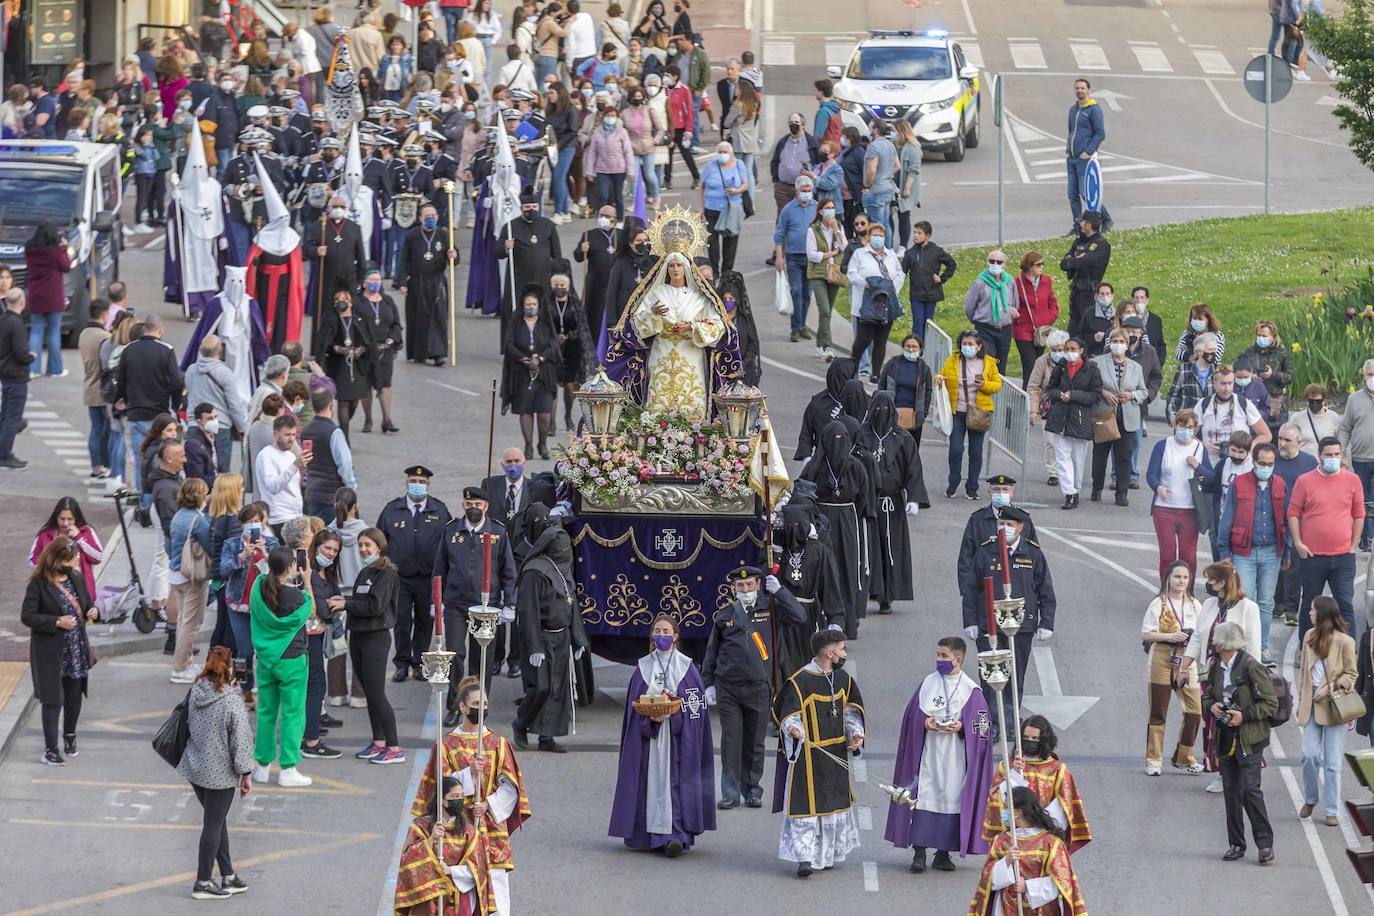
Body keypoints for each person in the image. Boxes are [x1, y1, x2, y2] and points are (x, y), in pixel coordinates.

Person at [409, 678, 532, 914]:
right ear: (462, 707)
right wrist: (468, 775)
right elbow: (439, 788)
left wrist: (488, 804)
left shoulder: (498, 743)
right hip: (458, 829)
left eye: (485, 703)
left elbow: (510, 787)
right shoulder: (445, 745)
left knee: (497, 898)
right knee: (459, 898)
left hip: (490, 830)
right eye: (476, 703)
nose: (482, 708)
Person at [885, 636, 995, 874]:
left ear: (958, 659)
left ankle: (943, 854)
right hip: (929, 755)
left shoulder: (971, 690)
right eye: (937, 655)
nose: (939, 659)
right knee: (924, 795)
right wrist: (924, 722)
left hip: (955, 759)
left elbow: (983, 728)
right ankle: (919, 852)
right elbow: (911, 716)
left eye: (943, 656)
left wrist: (962, 727)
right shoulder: (928, 683)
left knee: (951, 799)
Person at [609, 613, 716, 856]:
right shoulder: (643, 667)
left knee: (676, 782)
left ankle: (675, 835)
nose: (662, 636)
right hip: (650, 738)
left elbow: (695, 709)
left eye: (666, 632)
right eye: (657, 631)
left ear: (675, 636)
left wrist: (674, 715)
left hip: (679, 740)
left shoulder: (687, 667)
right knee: (650, 782)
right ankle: (648, 835)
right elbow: (633, 706)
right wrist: (651, 717)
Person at [703, 566, 806, 809]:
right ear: (734, 589)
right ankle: (729, 792)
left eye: (750, 585)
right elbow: (712, 653)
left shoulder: (770, 609)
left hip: (759, 687)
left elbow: (799, 616)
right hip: (729, 688)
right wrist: (708, 684)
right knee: (731, 740)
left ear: (758, 585)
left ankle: (752, 789)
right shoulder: (725, 615)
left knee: (755, 742)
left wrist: (780, 592)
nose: (745, 590)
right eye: (740, 586)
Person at [774, 628, 864, 877]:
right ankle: (804, 857)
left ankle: (826, 854)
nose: (844, 654)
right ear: (829, 651)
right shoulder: (800, 681)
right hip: (809, 755)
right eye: (842, 649)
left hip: (835, 752)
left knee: (832, 807)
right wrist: (793, 727)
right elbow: (788, 714)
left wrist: (855, 733)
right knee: (807, 808)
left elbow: (850, 711)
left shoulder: (843, 679)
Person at [961, 507, 1055, 730]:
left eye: (1009, 524)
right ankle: (993, 723)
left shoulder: (1032, 554)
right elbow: (971, 589)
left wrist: (1046, 623)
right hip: (989, 624)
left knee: (1015, 676)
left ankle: (1011, 722)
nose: (1004, 528)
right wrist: (970, 621)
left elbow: (1045, 591)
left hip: (1020, 626)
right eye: (1001, 523)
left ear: (1020, 527)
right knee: (991, 676)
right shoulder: (985, 553)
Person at [176, 646, 254, 900]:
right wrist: (246, 774)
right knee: (212, 824)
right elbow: (240, 743)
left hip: (195, 767)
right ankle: (203, 881)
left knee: (216, 820)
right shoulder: (231, 700)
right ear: (230, 668)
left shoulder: (196, 690)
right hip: (219, 774)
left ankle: (228, 875)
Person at [513, 504, 589, 753]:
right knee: (542, 687)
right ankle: (521, 722)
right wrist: (534, 647)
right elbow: (528, 612)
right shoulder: (535, 573)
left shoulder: (562, 569)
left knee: (557, 690)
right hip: (541, 638)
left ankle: (547, 737)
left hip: (561, 637)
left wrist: (578, 640)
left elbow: (571, 604)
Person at [436, 487, 518, 713]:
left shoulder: (498, 533)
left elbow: (508, 571)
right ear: (463, 505)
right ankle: (454, 706)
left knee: (481, 659)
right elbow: (439, 568)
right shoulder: (451, 530)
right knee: (454, 654)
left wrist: (509, 603)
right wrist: (436, 601)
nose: (474, 509)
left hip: (486, 606)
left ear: (486, 507)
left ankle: (478, 706)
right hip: (456, 604)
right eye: (469, 505)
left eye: (478, 505)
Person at [1183, 561, 1262, 792]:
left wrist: (1252, 677)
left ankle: (1243, 770)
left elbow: (1254, 645)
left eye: (1212, 580)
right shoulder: (1208, 604)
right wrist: (1184, 667)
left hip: (1238, 675)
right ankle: (1220, 772)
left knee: (1235, 722)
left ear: (1225, 582)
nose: (1208, 584)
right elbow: (1198, 637)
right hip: (1211, 674)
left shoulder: (1248, 607)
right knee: (1213, 723)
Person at [327, 528, 404, 764]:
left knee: (377, 693)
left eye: (367, 545)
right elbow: (360, 601)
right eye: (360, 545)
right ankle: (378, 741)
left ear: (379, 547)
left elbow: (375, 606)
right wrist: (347, 602)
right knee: (370, 693)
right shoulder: (365, 572)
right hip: (358, 635)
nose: (363, 549)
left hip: (375, 638)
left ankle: (394, 746)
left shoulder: (387, 574)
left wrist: (345, 604)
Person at [1203, 621, 1277, 864]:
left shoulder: (1252, 667)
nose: (1212, 642)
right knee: (1231, 792)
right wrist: (1211, 706)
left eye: (1215, 639)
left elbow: (1270, 704)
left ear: (1224, 644)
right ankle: (1236, 844)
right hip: (1226, 739)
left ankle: (1265, 845)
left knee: (1249, 790)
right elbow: (1207, 695)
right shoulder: (1216, 666)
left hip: (1249, 739)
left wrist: (1243, 716)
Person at [22, 537, 98, 765]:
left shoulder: (75, 578)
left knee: (74, 696)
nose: (75, 562)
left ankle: (70, 736)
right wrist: (56, 621)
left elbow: (86, 605)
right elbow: (27, 616)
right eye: (70, 559)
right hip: (50, 653)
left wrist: (92, 611)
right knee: (53, 699)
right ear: (56, 559)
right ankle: (50, 749)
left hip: (75, 649)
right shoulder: (38, 583)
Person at [374, 466, 451, 683]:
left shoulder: (439, 510)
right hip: (401, 578)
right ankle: (401, 663)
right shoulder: (392, 510)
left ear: (428, 485)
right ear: (407, 483)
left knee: (425, 621)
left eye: (421, 481)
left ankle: (419, 663)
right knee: (401, 621)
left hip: (429, 578)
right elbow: (379, 542)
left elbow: (449, 542)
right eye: (413, 480)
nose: (417, 485)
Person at [246, 545, 315, 787]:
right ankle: (288, 767)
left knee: (266, 712)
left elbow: (269, 578)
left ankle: (262, 766)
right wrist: (306, 581)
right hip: (291, 659)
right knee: (293, 714)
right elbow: (312, 610)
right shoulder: (297, 597)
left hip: (265, 659)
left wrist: (277, 565)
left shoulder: (258, 587)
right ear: (290, 567)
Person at [856, 391, 928, 613]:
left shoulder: (903, 438)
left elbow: (913, 468)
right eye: (877, 409)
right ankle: (871, 589)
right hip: (868, 502)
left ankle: (888, 595)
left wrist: (914, 498)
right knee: (869, 548)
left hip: (891, 504)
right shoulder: (861, 434)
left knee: (890, 548)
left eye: (885, 410)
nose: (881, 414)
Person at [799, 422, 872, 638]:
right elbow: (802, 493)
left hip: (848, 522)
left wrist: (849, 517)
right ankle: (821, 622)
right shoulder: (814, 466)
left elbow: (863, 498)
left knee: (847, 570)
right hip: (821, 522)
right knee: (822, 570)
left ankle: (846, 623)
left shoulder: (856, 466)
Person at [966, 786, 1089, 915]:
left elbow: (1062, 882)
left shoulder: (1051, 843)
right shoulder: (1002, 841)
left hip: (1042, 910)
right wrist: (1006, 862)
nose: (1003, 811)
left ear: (1018, 812)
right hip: (1005, 908)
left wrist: (1029, 887)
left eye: (1006, 807)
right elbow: (987, 879)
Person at [1289, 436, 1365, 637]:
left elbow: (1359, 514)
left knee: (1345, 606)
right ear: (1319, 456)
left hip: (1343, 557)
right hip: (1312, 556)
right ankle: (1305, 650)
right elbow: (1293, 513)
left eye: (1337, 454)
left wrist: (1353, 546)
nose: (1333, 458)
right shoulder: (1304, 481)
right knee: (1309, 605)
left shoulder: (1353, 480)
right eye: (1328, 455)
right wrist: (1298, 543)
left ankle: (1349, 655)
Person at [1218, 443, 1285, 665]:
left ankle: (1262, 647)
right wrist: (1224, 551)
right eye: (1262, 463)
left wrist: (1287, 552)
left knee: (1266, 603)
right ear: (1254, 462)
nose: (1266, 467)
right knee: (1242, 601)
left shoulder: (1280, 485)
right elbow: (1227, 517)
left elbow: (1286, 518)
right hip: (1243, 553)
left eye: (1270, 464)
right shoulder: (1240, 483)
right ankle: (1241, 646)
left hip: (1271, 552)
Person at [982, 716, 1092, 851]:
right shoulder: (1007, 766)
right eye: (1026, 738)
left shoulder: (1057, 770)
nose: (1030, 742)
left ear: (1044, 741)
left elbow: (1065, 805)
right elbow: (996, 799)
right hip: (1014, 834)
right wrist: (1014, 774)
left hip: (1043, 835)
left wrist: (1039, 826)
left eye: (1034, 739)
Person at [1141, 561, 1205, 775]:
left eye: (1185, 577)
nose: (1181, 581)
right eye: (1177, 577)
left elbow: (1203, 633)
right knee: (1158, 712)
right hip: (1161, 656)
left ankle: (1185, 757)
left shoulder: (1195, 605)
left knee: (1195, 711)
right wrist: (1170, 636)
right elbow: (1147, 634)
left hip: (1187, 660)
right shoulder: (1158, 604)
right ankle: (1154, 760)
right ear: (1168, 578)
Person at [1297, 596, 1356, 826]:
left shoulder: (1345, 641)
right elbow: (1304, 671)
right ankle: (1311, 799)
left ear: (1321, 613)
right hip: (1311, 703)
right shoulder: (1309, 636)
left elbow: (1351, 675)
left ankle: (1332, 810)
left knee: (1332, 763)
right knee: (1309, 754)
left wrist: (1329, 689)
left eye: (1312, 610)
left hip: (1334, 705)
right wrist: (1302, 700)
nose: (1309, 613)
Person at [501, 286, 560, 460]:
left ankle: (542, 444)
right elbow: (509, 344)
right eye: (528, 304)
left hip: (544, 372)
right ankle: (528, 445)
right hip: (522, 373)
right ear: (523, 305)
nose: (531, 307)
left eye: (534, 304)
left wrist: (540, 358)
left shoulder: (545, 322)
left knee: (544, 411)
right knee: (525, 410)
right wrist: (523, 359)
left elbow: (553, 345)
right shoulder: (516, 322)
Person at [941, 331, 1002, 500]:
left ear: (979, 346)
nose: (967, 347)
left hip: (979, 412)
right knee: (956, 448)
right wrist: (938, 379)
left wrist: (985, 385)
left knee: (975, 452)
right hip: (957, 411)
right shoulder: (953, 360)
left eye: (971, 344)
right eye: (964, 344)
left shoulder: (988, 363)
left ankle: (972, 487)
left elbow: (997, 384)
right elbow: (942, 375)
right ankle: (953, 482)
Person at [1090, 328, 1148, 507]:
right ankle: (1097, 487)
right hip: (1104, 413)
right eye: (1115, 341)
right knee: (1100, 455)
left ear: (1127, 344)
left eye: (1122, 342)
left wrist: (1132, 396)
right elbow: (1090, 385)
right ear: (1109, 342)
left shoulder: (1136, 367)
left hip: (1127, 415)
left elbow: (1143, 391)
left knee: (1124, 456)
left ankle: (1121, 493)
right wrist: (1103, 392)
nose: (1118, 345)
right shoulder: (1097, 362)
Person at [1043, 337, 1102, 510]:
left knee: (1078, 458)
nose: (1069, 352)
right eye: (1066, 349)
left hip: (1080, 418)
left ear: (1081, 350)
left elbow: (1095, 395)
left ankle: (1075, 488)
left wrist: (1073, 395)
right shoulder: (1060, 367)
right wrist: (1059, 394)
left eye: (1072, 348)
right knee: (1062, 457)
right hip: (1060, 417)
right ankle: (1069, 493)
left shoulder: (1091, 369)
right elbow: (1050, 389)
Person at [397, 203, 454, 366]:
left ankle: (438, 353)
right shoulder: (412, 235)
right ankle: (419, 352)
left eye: (433, 215)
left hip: (437, 281)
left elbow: (454, 260)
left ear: (437, 217)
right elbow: (404, 260)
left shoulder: (444, 234)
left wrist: (453, 255)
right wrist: (402, 282)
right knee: (418, 317)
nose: (430, 218)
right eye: (426, 216)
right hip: (417, 281)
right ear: (420, 218)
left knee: (438, 317)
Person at [316, 290, 375, 436]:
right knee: (343, 401)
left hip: (356, 365)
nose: (341, 302)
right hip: (339, 366)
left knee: (353, 401)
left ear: (350, 302)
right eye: (338, 299)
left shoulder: (358, 319)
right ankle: (344, 436)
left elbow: (368, 341)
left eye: (344, 299)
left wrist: (360, 350)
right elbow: (324, 342)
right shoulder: (330, 319)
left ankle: (342, 427)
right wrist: (338, 348)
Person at [354, 266, 403, 433]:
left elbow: (396, 323)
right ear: (364, 283)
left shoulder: (387, 301)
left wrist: (391, 339)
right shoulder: (358, 302)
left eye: (377, 280)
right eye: (371, 280)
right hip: (367, 350)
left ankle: (387, 419)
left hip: (385, 349)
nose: (375, 283)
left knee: (386, 383)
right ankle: (368, 419)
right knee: (367, 384)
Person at [773, 173, 820, 343]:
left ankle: (802, 326)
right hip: (793, 256)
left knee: (807, 293)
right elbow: (779, 233)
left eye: (809, 190)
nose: (807, 193)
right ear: (797, 191)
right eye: (803, 190)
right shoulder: (788, 209)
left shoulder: (816, 207)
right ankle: (795, 328)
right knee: (796, 291)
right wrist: (779, 257)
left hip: (812, 258)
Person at [29, 497, 104, 602]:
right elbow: (32, 559)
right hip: (51, 595)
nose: (65, 523)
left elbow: (98, 557)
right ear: (56, 517)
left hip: (82, 594)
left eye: (70, 519)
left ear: (76, 518)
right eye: (62, 518)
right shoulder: (45, 534)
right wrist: (51, 569)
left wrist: (79, 537)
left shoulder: (86, 531)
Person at [22, 221, 72, 377]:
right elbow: (66, 267)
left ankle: (33, 369)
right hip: (53, 296)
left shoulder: (30, 249)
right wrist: (64, 248)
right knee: (53, 332)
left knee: (36, 331)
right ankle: (55, 369)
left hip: (36, 295)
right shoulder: (56, 252)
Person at [1065, 78, 1111, 232]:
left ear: (1088, 90)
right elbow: (1072, 132)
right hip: (1071, 159)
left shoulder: (1093, 109)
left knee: (1087, 194)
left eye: (1082, 88)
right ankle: (1078, 227)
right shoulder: (1073, 109)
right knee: (1072, 195)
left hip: (1084, 159)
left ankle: (1105, 219)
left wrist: (1088, 151)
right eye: (1077, 88)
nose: (1079, 90)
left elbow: (1100, 134)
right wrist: (1068, 149)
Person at [1007, 251, 1057, 389]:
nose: (1042, 267)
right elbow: (1009, 303)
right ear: (1029, 266)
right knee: (1029, 365)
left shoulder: (1046, 281)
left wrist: (1050, 317)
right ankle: (1028, 399)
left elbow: (1052, 302)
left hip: (1042, 331)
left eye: (1042, 264)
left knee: (1039, 365)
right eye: (1038, 264)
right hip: (1023, 330)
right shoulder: (1016, 283)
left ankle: (1037, 398)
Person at [1338, 358, 1374, 550]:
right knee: (1363, 501)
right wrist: (1341, 453)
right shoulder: (1355, 399)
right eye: (1370, 375)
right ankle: (1366, 538)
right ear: (1364, 376)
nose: (1372, 378)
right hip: (1360, 458)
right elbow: (1345, 428)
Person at [702, 140, 750, 279]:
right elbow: (702, 185)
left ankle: (727, 272)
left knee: (730, 242)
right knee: (713, 243)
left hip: (731, 209)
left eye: (725, 152)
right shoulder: (711, 166)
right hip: (712, 209)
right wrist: (700, 207)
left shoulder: (739, 165)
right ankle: (714, 271)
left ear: (730, 153)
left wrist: (737, 191)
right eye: (720, 152)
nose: (722, 155)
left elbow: (745, 184)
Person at [1059, 211, 1110, 337]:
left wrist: (1074, 260)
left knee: (1088, 325)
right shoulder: (1079, 241)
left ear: (1088, 225)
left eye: (1082, 222)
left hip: (1089, 291)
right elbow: (1064, 264)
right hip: (1076, 289)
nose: (1079, 224)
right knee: (1074, 327)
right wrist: (1074, 260)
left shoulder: (1100, 244)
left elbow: (1082, 262)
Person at [878, 335, 935, 448]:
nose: (911, 349)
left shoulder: (924, 369)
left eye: (914, 346)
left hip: (914, 416)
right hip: (892, 414)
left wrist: (924, 413)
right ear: (903, 347)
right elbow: (881, 386)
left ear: (920, 349)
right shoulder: (892, 364)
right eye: (908, 346)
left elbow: (928, 391)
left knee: (911, 450)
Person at [1238, 320, 1292, 437]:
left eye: (1264, 336)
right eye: (1259, 335)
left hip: (1276, 403)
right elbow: (1237, 370)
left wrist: (1273, 375)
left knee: (1275, 437)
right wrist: (1250, 376)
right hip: (1255, 401)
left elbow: (1289, 377)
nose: (1261, 338)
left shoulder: (1282, 353)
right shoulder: (1249, 353)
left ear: (1273, 337)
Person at [795, 359, 855, 460]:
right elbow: (806, 433)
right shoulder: (818, 403)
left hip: (851, 461)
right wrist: (806, 457)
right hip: (822, 460)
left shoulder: (857, 400)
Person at [255, 415, 306, 526]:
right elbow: (273, 487)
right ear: (275, 434)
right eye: (287, 435)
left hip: (296, 516)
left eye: (293, 434)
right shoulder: (266, 455)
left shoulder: (291, 455)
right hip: (278, 519)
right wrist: (295, 466)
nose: (291, 439)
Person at [1165, 332, 1220, 424]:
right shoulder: (1184, 370)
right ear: (1199, 352)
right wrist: (1172, 415)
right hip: (1185, 422)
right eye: (1210, 350)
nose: (1213, 353)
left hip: (1208, 422)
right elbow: (1172, 396)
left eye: (1215, 350)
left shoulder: (1218, 372)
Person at [1291, 383, 1341, 457]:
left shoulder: (1334, 418)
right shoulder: (1296, 418)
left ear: (1323, 401)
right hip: (1304, 462)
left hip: (1326, 462)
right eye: (1311, 401)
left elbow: (1340, 442)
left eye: (1318, 401)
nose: (1315, 404)